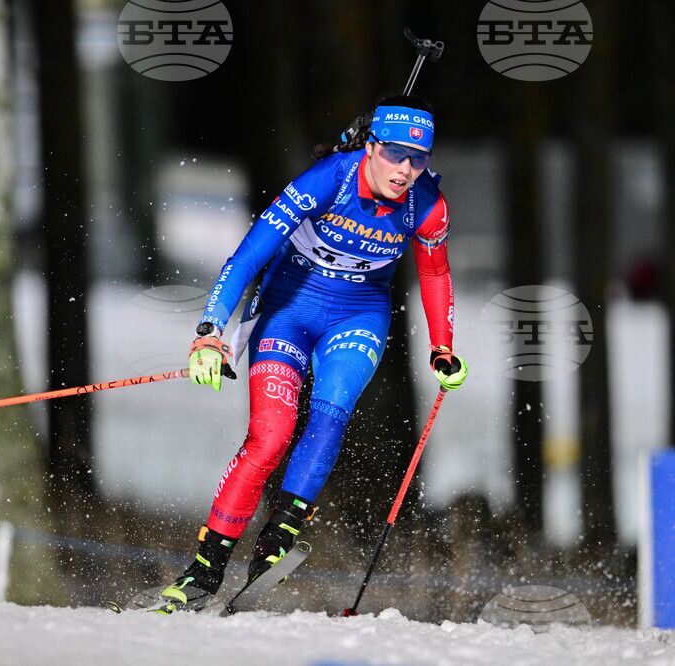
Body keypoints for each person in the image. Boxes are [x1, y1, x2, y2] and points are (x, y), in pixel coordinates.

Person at [154, 94, 468, 614]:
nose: (406, 169)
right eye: (394, 153)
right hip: (287, 311)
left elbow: (435, 272)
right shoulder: (328, 180)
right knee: (271, 435)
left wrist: (442, 347)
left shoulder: (427, 204)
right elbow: (249, 254)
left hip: (359, 316)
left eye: (419, 158)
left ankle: (277, 538)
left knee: (330, 411)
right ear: (371, 147)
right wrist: (210, 331)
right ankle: (204, 569)